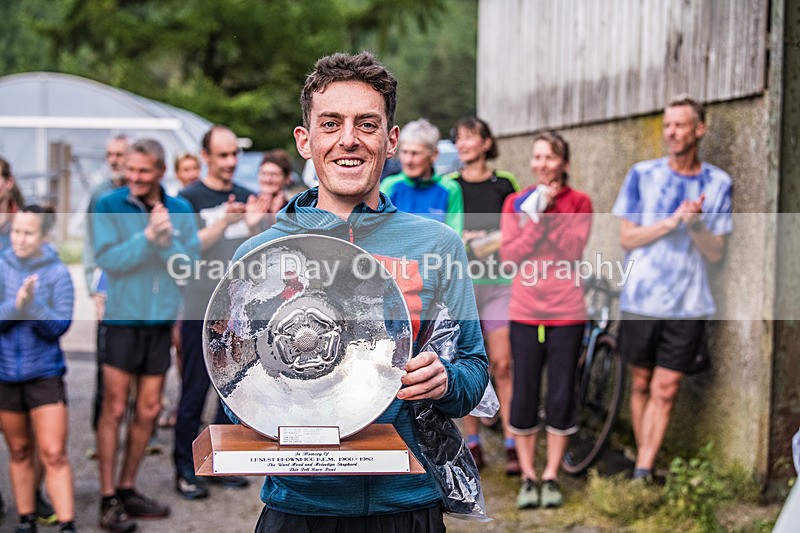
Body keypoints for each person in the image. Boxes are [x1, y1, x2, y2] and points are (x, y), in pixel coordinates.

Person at [231, 51, 488, 532]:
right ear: (305, 140)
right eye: (330, 124)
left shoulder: (437, 245)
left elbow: (474, 371)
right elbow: (233, 384)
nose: (348, 139)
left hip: (408, 504)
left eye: (367, 125)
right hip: (300, 508)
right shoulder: (259, 254)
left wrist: (446, 381)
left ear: (390, 141)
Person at [612, 96, 732, 482]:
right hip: (641, 298)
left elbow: (715, 253)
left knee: (666, 389)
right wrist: (671, 221)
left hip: (688, 303)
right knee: (641, 382)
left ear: (700, 130)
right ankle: (641, 461)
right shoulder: (642, 174)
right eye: (667, 125)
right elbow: (627, 238)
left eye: (680, 125)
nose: (672, 132)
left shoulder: (718, 184)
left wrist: (694, 225)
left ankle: (643, 469)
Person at [92, 139, 200, 531]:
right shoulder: (108, 205)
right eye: (131, 170)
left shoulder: (180, 210)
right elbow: (109, 260)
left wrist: (166, 240)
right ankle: (107, 497)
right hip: (121, 321)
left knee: (149, 409)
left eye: (143, 171)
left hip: (159, 323)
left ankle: (127, 487)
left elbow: (188, 267)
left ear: (160, 172)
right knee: (114, 408)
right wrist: (148, 239)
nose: (134, 177)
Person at [172, 125, 267, 500]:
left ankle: (219, 461)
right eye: (223, 155)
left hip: (238, 308)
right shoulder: (188, 199)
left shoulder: (245, 195)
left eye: (234, 155)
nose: (230, 162)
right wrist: (225, 222)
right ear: (206, 156)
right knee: (194, 390)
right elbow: (185, 248)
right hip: (201, 307)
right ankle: (185, 468)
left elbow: (258, 252)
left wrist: (256, 224)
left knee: (232, 390)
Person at [500, 131, 592, 509]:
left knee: (561, 394)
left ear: (564, 163)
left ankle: (551, 474)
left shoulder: (580, 202)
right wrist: (534, 217)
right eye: (537, 157)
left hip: (566, 312)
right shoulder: (515, 203)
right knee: (523, 393)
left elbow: (572, 250)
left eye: (550, 157)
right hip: (525, 312)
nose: (542, 164)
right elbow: (510, 256)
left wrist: (547, 213)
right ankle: (528, 475)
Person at [447, 116, 520, 475]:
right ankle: (473, 442)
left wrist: (487, 241)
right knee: (467, 362)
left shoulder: (504, 184)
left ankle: (512, 441)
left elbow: (516, 229)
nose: (463, 144)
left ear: (486, 143)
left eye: (470, 137)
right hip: (463, 287)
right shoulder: (450, 186)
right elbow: (445, 232)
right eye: (459, 138)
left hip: (499, 284)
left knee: (503, 363)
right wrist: (467, 240)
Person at [0, 205, 76, 533]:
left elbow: (59, 326)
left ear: (44, 235)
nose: (20, 239)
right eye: (16, 231)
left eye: (28, 233)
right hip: (5, 375)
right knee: (18, 450)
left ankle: (67, 523)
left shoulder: (58, 273)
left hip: (44, 374)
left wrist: (33, 305)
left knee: (54, 452)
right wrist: (16, 305)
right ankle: (26, 519)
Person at [0, 159, 59, 526]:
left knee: (28, 438)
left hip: (24, 352)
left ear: (8, 181)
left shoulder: (22, 224)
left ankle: (31, 496)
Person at [380, 118, 464, 234]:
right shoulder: (390, 185)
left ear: (434, 154)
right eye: (404, 152)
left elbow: (456, 235)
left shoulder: (449, 189)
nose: (408, 160)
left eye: (415, 153)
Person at [256, 149, 293, 230]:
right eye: (263, 173)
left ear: (287, 178)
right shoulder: (250, 205)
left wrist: (274, 217)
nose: (267, 179)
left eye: (273, 174)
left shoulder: (292, 209)